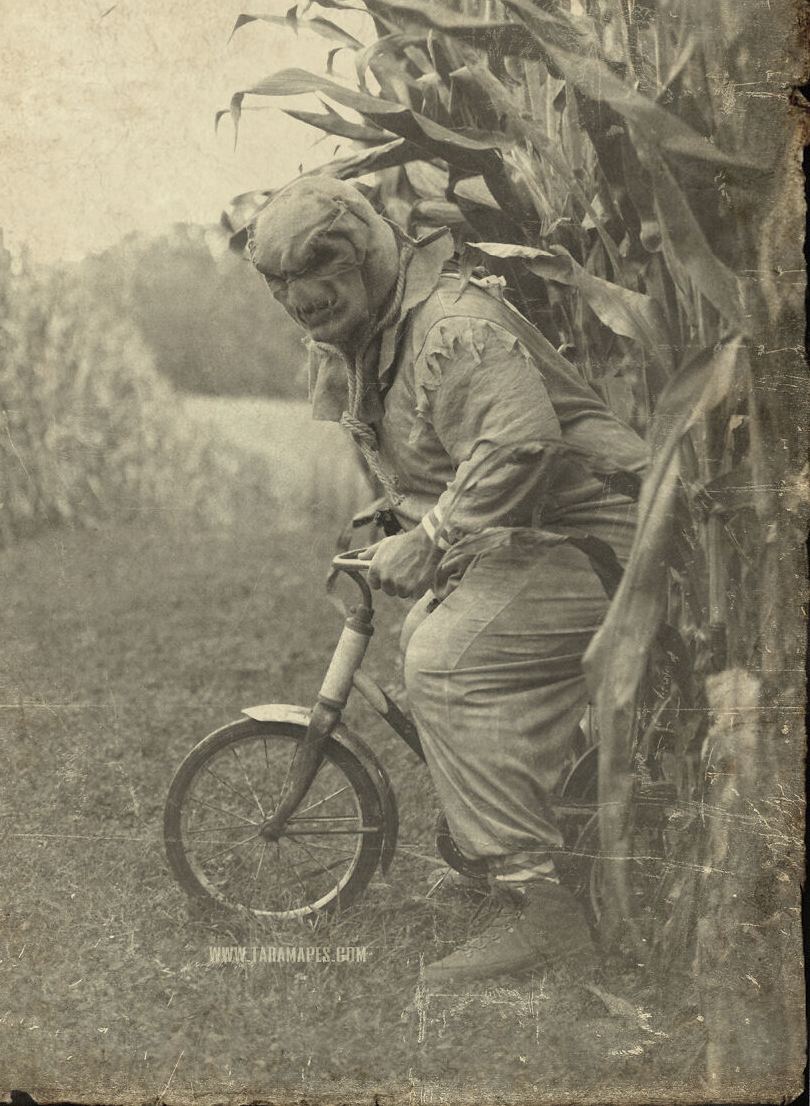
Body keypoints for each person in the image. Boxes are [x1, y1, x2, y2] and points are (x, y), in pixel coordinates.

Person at [247, 174, 647, 985]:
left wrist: (433, 534)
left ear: (360, 259)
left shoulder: (453, 326)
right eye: (284, 291)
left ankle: (547, 918)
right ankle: (519, 829)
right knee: (430, 635)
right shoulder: (376, 331)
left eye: (314, 283)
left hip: (604, 538)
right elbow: (436, 449)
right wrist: (399, 513)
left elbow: (518, 446)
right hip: (534, 536)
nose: (300, 306)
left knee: (447, 662)